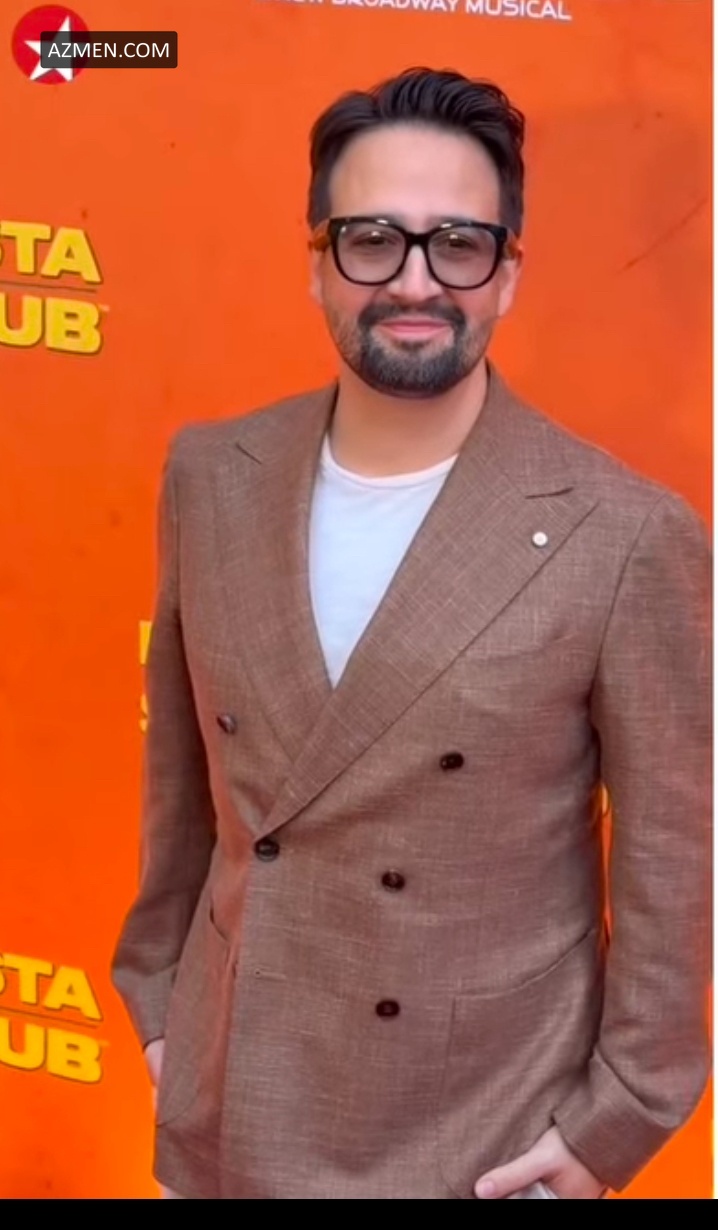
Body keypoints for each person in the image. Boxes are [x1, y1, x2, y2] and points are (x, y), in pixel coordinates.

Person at [111, 66, 712, 1200]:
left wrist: (616, 1124)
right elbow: (181, 786)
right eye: (373, 240)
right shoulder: (210, 475)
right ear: (318, 263)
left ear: (509, 274)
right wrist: (159, 1008)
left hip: (479, 1129)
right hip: (229, 1101)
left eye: (459, 245)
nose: (415, 281)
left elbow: (672, 865)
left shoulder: (629, 533)